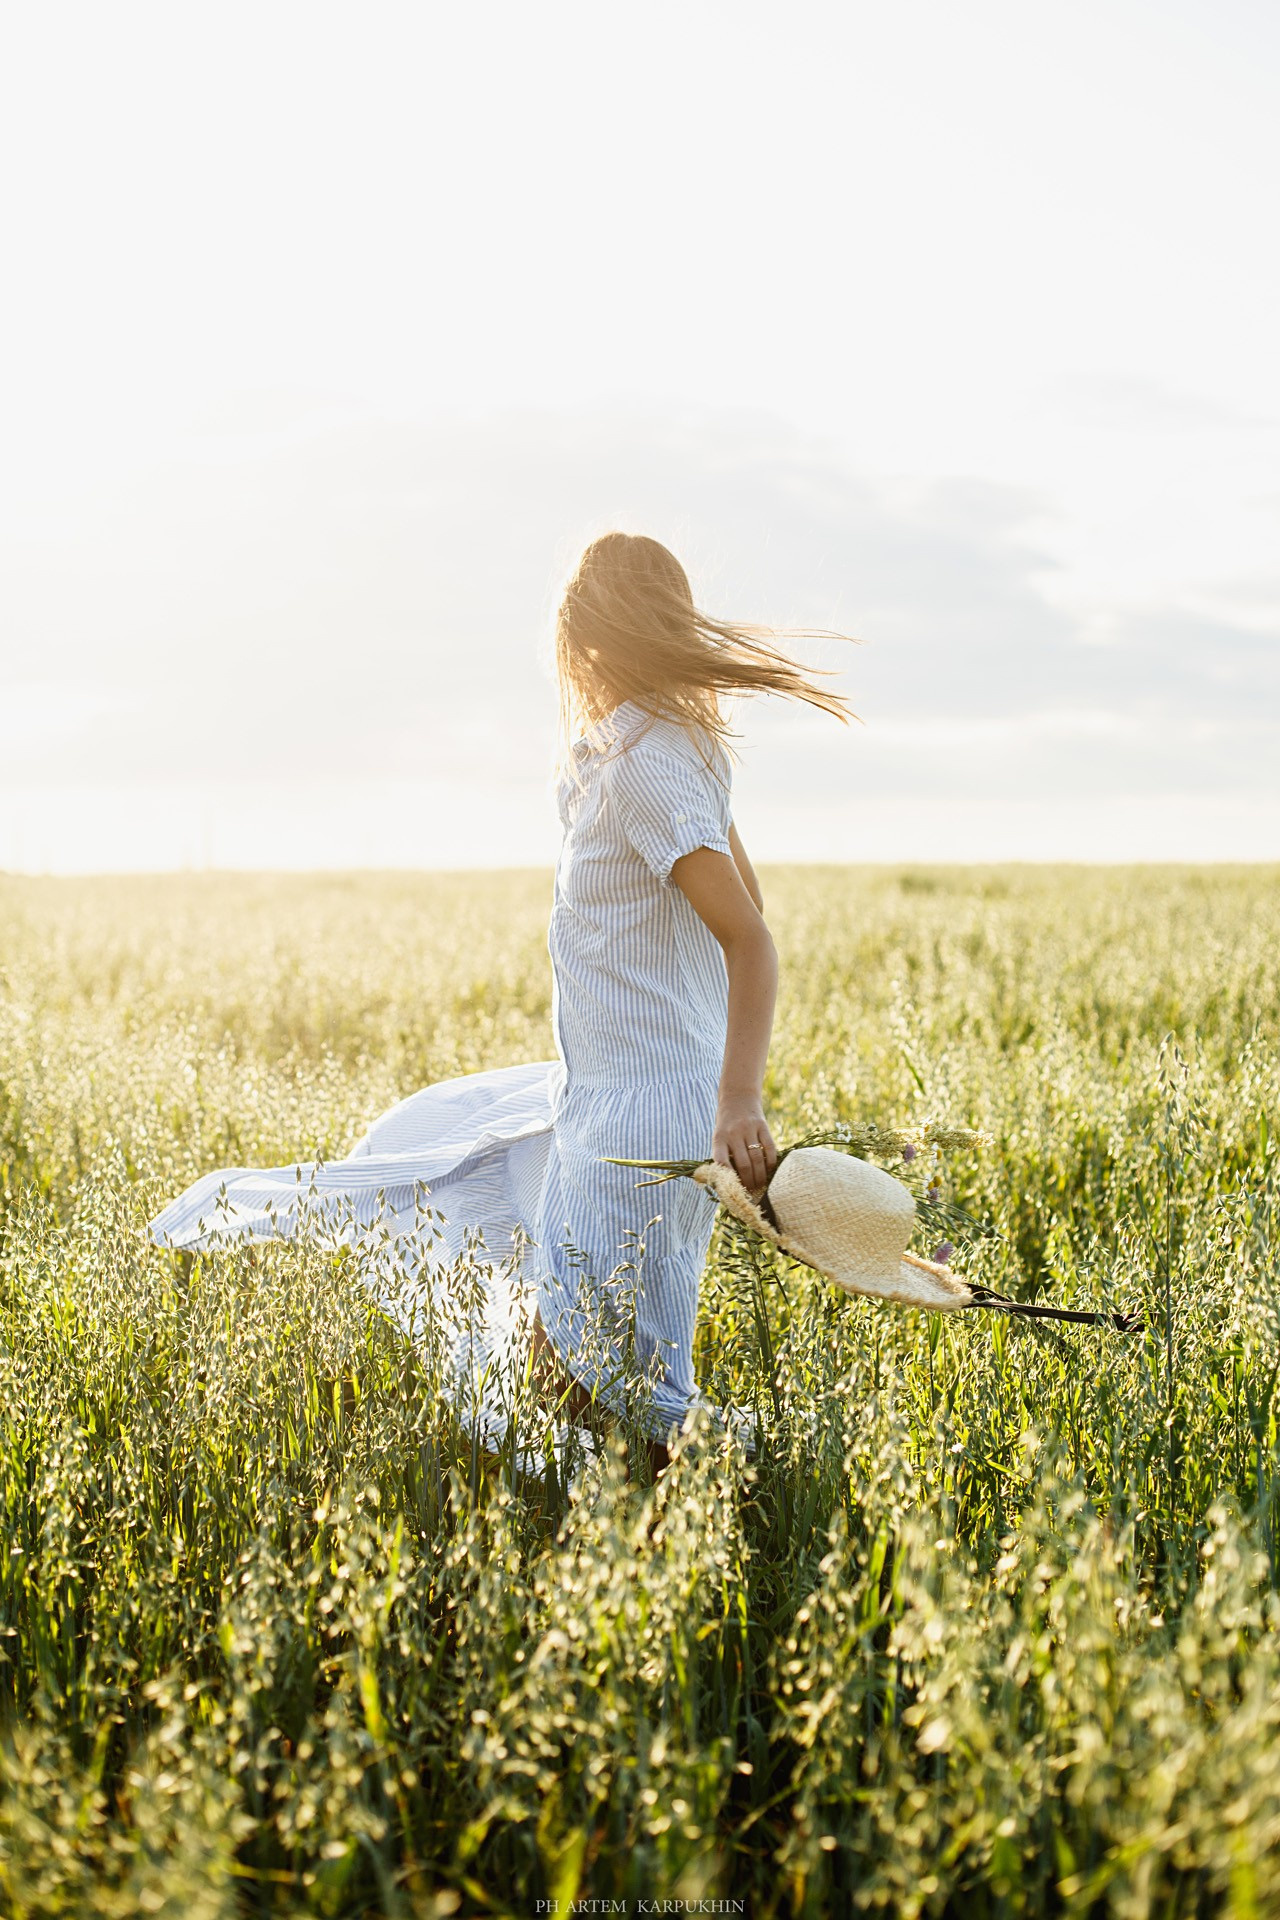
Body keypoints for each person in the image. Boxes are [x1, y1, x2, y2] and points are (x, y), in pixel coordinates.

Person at [149, 533, 850, 1470]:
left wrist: (732, 1104)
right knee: (582, 1382)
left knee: (612, 1399)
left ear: (590, 646)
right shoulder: (670, 749)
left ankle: (769, 1478)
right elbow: (746, 918)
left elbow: (750, 940)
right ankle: (691, 1504)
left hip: (639, 1131)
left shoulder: (648, 765)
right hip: (613, 1107)